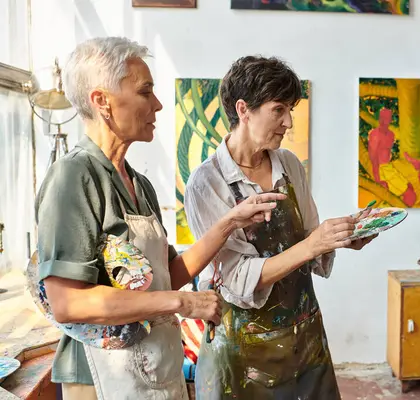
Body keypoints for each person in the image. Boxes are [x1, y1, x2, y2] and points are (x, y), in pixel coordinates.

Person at [35, 37, 284, 400]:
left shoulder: (139, 183)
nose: (159, 104)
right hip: (102, 376)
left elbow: (171, 273)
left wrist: (231, 222)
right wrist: (181, 303)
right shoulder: (73, 177)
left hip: (155, 366)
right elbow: (68, 303)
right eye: (145, 91)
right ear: (101, 101)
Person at [184, 55, 377, 400]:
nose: (288, 122)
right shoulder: (207, 183)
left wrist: (343, 237)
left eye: (291, 109)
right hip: (245, 353)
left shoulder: (288, 164)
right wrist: (313, 245)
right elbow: (238, 278)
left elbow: (309, 237)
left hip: (305, 338)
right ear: (243, 109)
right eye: (278, 109)